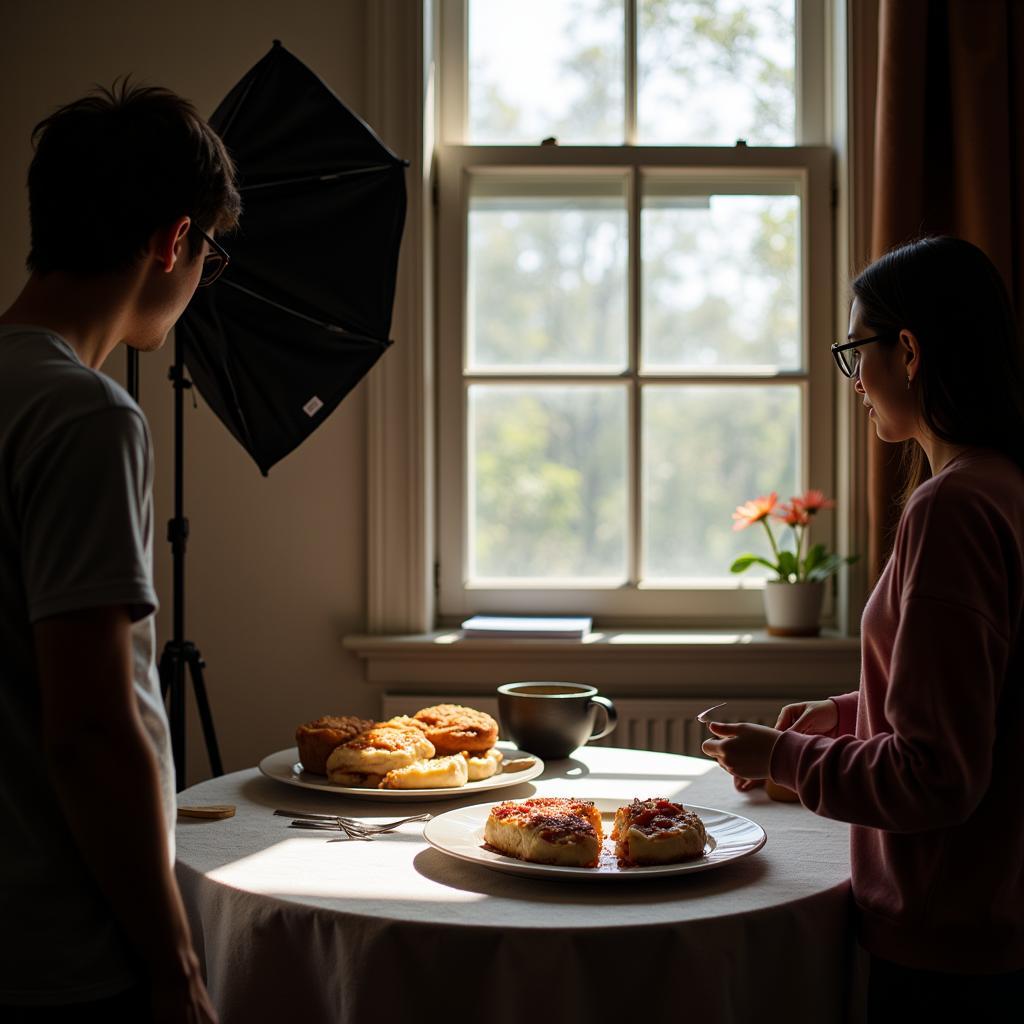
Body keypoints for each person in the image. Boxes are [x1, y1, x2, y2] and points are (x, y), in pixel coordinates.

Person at [702, 236, 1024, 1019]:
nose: (854, 382)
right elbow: (980, 699)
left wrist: (784, 753)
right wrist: (848, 717)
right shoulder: (1003, 484)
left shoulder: (951, 508)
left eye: (855, 353)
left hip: (948, 941)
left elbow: (935, 776)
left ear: (907, 351)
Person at [0, 81, 240, 1022]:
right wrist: (177, 965)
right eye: (209, 250)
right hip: (59, 944)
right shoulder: (86, 414)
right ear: (172, 241)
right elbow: (94, 729)